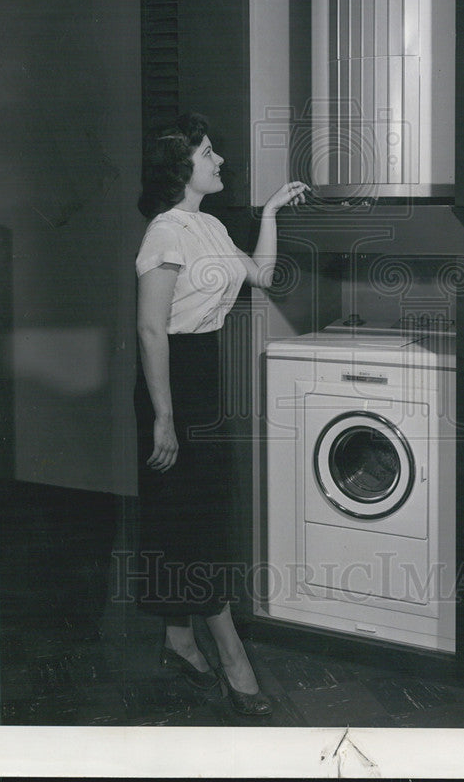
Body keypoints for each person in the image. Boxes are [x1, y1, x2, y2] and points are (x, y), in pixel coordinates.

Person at [133, 111, 308, 716]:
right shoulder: (165, 231)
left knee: (193, 514)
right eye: (209, 152)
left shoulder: (206, 227)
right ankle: (232, 658)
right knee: (191, 520)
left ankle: (178, 639)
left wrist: (271, 216)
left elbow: (261, 275)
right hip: (171, 378)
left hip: (203, 373)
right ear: (184, 166)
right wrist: (162, 417)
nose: (220, 161)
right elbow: (152, 328)